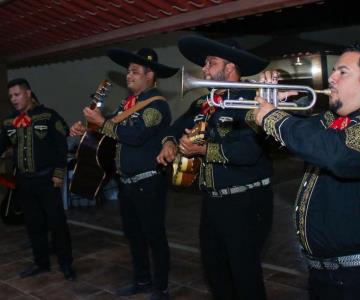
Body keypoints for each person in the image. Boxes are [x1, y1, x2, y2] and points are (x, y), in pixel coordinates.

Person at [156, 36, 273, 300]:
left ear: (230, 66)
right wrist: (169, 143)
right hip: (213, 200)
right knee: (214, 268)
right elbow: (174, 127)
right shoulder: (204, 103)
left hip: (245, 200)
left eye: (211, 63)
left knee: (245, 275)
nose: (205, 70)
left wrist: (202, 150)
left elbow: (248, 151)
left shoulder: (252, 99)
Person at [253, 44, 360, 300]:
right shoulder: (330, 120)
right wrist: (273, 102)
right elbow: (293, 136)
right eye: (333, 71)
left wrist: (275, 117)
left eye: (342, 72)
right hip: (321, 274)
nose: (331, 78)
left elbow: (334, 153)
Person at [70, 48, 178, 300]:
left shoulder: (156, 105)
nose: (128, 76)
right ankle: (142, 280)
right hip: (127, 183)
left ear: (149, 75)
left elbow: (135, 136)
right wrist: (86, 126)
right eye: (128, 71)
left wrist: (103, 122)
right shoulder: (126, 104)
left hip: (148, 182)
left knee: (154, 236)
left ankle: (160, 288)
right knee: (134, 236)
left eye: (134, 71)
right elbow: (109, 125)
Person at [0, 78, 75, 280]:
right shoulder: (8, 121)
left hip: (48, 181)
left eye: (17, 95)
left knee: (57, 223)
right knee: (33, 224)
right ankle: (41, 263)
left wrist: (59, 174)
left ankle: (66, 264)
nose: (13, 100)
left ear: (28, 93)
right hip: (24, 182)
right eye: (11, 97)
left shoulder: (48, 116)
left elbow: (62, 147)